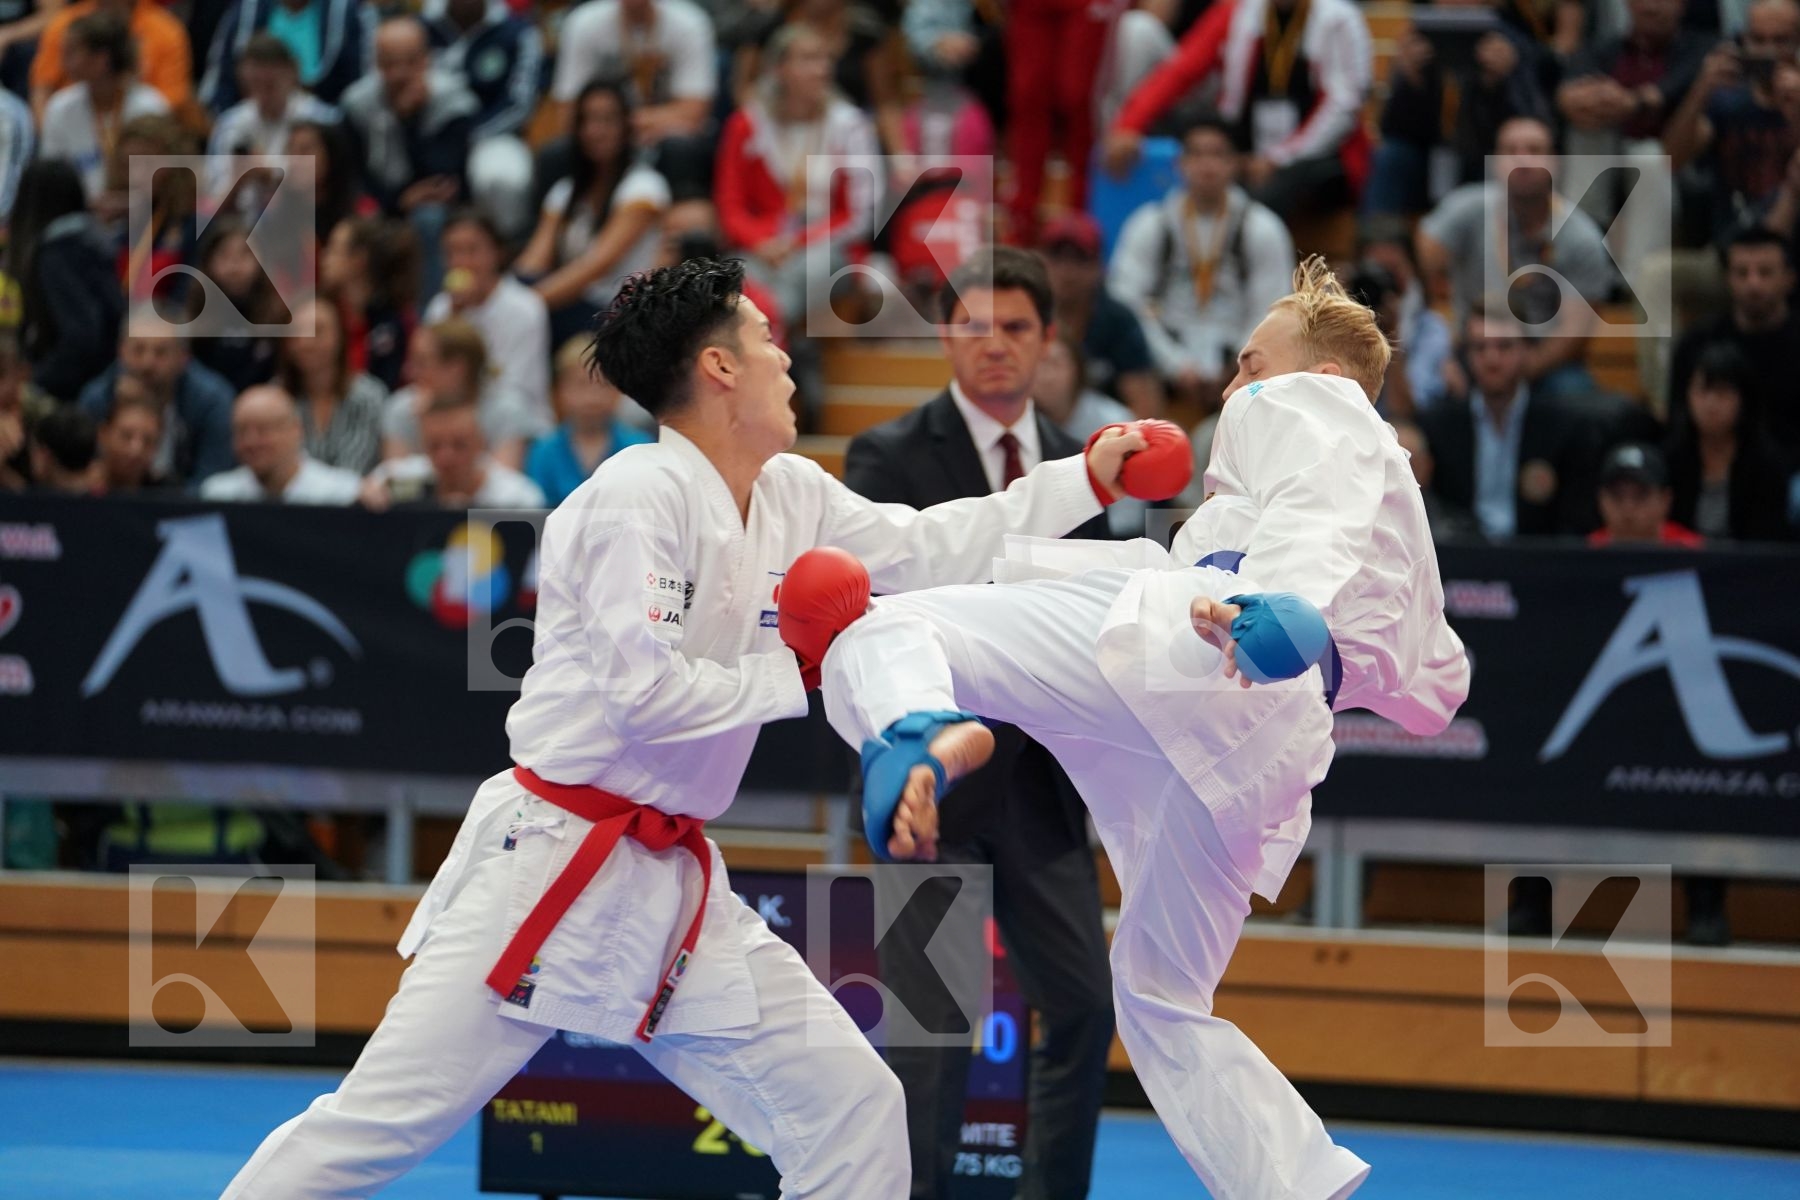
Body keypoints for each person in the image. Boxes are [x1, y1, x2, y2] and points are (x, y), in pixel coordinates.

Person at [219, 255, 1144, 1197]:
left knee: (855, 1106)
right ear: (719, 367)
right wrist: (799, 670)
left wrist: (1086, 479)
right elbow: (646, 698)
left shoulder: (792, 492)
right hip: (551, 860)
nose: (786, 359)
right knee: (378, 1128)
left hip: (672, 882)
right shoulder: (636, 496)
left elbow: (930, 545)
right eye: (767, 340)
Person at [810, 258, 1469, 1200]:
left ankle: (910, 728)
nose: (1234, 386)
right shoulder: (1391, 513)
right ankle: (1295, 1186)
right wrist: (1310, 638)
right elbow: (1438, 686)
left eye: (1249, 363)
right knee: (1158, 996)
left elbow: (1311, 516)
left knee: (886, 624)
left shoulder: (1308, 406)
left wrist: (1271, 603)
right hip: (1262, 748)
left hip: (1185, 650)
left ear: (1321, 374)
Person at [842, 246, 1118, 1200]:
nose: (995, 343)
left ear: (1048, 340)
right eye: (974, 325)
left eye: (1016, 327)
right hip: (934, 781)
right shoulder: (885, 456)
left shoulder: (1090, 466)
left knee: (1083, 1006)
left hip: (1044, 786)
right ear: (945, 338)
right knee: (931, 1034)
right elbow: (885, 611)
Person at [1102, 0, 1374, 221]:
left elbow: (1342, 108)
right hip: (1246, 146)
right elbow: (1178, 72)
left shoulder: (1340, 20)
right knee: (1174, 136)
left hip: (1313, 155)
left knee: (1264, 194)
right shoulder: (1238, 12)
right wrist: (1129, 125)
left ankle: (1238, 250)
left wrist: (1278, 158)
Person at [1110, 112, 1295, 415]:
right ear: (1179, 163)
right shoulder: (1150, 224)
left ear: (1235, 163)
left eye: (1218, 154)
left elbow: (1272, 308)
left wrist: (1240, 362)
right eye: (1196, 154)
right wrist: (1175, 364)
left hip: (1242, 367)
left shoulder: (1263, 228)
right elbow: (1126, 303)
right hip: (1163, 367)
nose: (1207, 165)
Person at [1416, 115, 1614, 400]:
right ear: (1495, 161)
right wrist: (1440, 350)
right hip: (1473, 351)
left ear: (1555, 162)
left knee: (1574, 392)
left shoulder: (1581, 237)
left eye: (1534, 150)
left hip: (1543, 362)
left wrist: (1510, 373)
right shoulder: (1465, 210)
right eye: (1510, 150)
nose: (1522, 159)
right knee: (1428, 380)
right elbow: (1414, 269)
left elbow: (1572, 335)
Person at [1414, 304, 1606, 538]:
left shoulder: (1565, 427)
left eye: (1504, 346)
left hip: (1538, 554)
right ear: (1466, 355)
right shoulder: (1438, 426)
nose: (1492, 359)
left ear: (1526, 349)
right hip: (1463, 552)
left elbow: (1576, 523)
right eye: (1480, 347)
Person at [514, 81, 670, 349]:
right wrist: (502, 295)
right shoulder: (565, 191)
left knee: (520, 313)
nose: (594, 131)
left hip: (618, 312)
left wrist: (523, 305)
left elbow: (595, 267)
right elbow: (534, 260)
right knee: (517, 285)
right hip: (574, 303)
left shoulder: (644, 187)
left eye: (606, 120)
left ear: (626, 126)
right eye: (586, 120)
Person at [339, 13, 478, 297]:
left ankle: (430, 312)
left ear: (427, 59)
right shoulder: (356, 104)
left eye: (410, 62)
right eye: (390, 63)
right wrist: (398, 201)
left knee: (428, 218)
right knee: (356, 221)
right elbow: (354, 172)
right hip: (382, 201)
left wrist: (410, 121)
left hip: (443, 208)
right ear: (376, 64)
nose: (400, 74)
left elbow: (445, 177)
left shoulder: (453, 101)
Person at [547, 0, 719, 202]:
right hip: (607, 128)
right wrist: (611, 127)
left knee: (682, 149)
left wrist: (623, 124)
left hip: (664, 135)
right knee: (555, 155)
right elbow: (569, 110)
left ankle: (684, 214)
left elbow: (695, 111)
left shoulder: (689, 23)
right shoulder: (584, 23)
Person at [1665, 226, 1800, 456]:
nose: (1753, 284)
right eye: (1742, 273)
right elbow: (1678, 425)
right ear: (1727, 278)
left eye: (1765, 272)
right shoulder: (1697, 343)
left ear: (1789, 278)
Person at [6, 158, 123, 403]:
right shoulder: (94, 240)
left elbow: (81, 336)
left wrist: (38, 382)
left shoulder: (57, 253)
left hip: (75, 393)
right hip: (107, 376)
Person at [423, 208, 552, 426]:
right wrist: (455, 318)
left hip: (517, 421)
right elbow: (431, 374)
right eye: (452, 252)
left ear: (497, 252)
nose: (461, 261)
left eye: (472, 250)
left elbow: (518, 389)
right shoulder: (440, 308)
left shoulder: (526, 308)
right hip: (457, 418)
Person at [425, 0, 542, 239]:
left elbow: (519, 104)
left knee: (502, 177)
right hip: (426, 134)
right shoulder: (421, 27)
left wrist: (469, 137)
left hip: (492, 134)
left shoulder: (517, 32)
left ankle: (508, 247)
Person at [77, 319, 239, 488]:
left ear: (183, 358)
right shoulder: (97, 399)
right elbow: (81, 469)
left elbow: (211, 481)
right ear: (121, 351)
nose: (147, 363)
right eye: (138, 350)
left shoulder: (212, 401)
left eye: (161, 352)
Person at [1037, 212, 1164, 420]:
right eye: (1057, 256)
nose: (1067, 270)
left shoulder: (1119, 321)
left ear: (1099, 267)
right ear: (1040, 261)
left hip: (1106, 431)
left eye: (1080, 258)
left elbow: (1145, 407)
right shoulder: (1025, 314)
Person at [1665, 342, 1796, 541]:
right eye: (1702, 391)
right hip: (1682, 558)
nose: (1711, 403)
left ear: (1743, 399)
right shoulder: (1671, 457)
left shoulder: (1767, 464)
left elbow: (1768, 541)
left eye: (1722, 392)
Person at [37, 10, 170, 200]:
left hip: (140, 209)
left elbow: (164, 182)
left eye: (72, 52)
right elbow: (50, 178)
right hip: (76, 211)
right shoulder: (60, 107)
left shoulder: (151, 107)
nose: (63, 62)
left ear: (101, 59)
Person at [382, 316, 543, 468]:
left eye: (421, 362)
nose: (409, 371)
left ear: (456, 368)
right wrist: (425, 421)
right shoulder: (402, 409)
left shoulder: (508, 411)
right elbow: (395, 481)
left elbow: (504, 482)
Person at [204, 33, 339, 198]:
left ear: (292, 73)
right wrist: (239, 179)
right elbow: (213, 195)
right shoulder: (229, 124)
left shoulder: (322, 119)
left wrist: (272, 174)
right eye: (255, 85)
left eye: (270, 85)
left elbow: (331, 183)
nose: (263, 96)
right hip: (243, 211)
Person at [524, 335, 655, 506]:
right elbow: (535, 510)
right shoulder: (543, 450)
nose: (592, 396)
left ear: (619, 390)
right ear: (560, 390)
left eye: (602, 384)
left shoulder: (641, 447)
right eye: (581, 384)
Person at [365, 391, 545, 509]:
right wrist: (368, 495)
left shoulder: (517, 498)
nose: (446, 456)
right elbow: (371, 487)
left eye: (459, 444)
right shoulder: (401, 479)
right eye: (435, 445)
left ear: (480, 444)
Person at [276, 296, 389, 475]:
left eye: (318, 331)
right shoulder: (274, 399)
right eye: (297, 332)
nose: (306, 342)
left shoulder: (369, 395)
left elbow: (354, 470)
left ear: (340, 335)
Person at [201, 384, 363, 504]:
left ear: (296, 430)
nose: (251, 442)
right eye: (241, 431)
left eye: (263, 429)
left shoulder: (342, 494)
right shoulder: (217, 495)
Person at [201, 0, 373, 111]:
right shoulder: (246, 11)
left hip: (325, 129)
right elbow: (218, 86)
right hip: (251, 120)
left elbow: (358, 90)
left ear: (294, 69)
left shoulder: (347, 13)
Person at [320, 215, 417, 392]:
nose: (324, 257)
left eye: (334, 249)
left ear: (359, 260)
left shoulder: (394, 321)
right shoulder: (324, 312)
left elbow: (386, 386)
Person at [94, 374, 168, 493]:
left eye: (148, 441)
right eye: (126, 436)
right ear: (103, 434)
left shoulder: (169, 493)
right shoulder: (76, 491)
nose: (136, 450)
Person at [27, 405, 101, 493]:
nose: (30, 458)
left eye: (33, 450)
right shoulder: (106, 496)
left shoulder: (24, 500)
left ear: (45, 454)